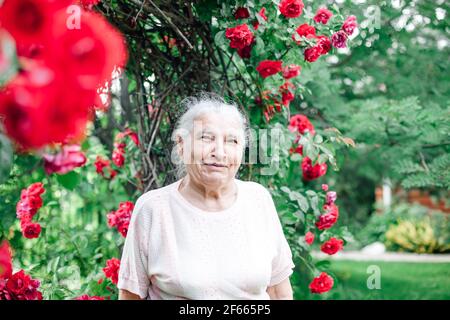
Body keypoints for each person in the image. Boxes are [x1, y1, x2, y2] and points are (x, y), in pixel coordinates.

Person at [118, 94, 295, 300]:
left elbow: (278, 291)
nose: (219, 152)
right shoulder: (153, 209)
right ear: (182, 144)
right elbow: (130, 296)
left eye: (232, 141)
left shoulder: (258, 200)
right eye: (206, 138)